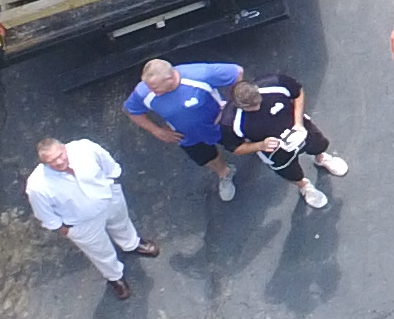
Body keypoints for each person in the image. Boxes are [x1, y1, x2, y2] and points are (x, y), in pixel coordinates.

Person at [25, 132, 161, 294]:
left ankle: (131, 244)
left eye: (60, 155)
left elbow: (107, 163)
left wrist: (113, 184)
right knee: (99, 252)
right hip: (82, 222)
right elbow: (45, 214)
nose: (59, 162)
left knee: (122, 224)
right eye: (52, 161)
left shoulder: (85, 148)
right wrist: (67, 230)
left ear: (64, 147)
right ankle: (114, 276)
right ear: (43, 163)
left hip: (108, 201)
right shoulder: (37, 186)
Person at [124, 53, 247, 199]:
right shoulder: (144, 91)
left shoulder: (199, 75)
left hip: (219, 125)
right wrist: (157, 131)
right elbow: (130, 110)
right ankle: (224, 172)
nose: (150, 91)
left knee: (241, 144)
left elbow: (236, 72)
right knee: (207, 158)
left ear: (170, 78)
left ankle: (260, 147)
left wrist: (232, 104)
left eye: (154, 87)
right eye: (148, 86)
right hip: (187, 137)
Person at [223, 72, 350, 210]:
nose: (257, 107)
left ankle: (321, 158)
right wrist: (261, 145)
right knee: (290, 171)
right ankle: (304, 186)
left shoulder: (275, 83)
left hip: (299, 130)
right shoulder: (230, 122)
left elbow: (298, 92)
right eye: (252, 108)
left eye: (258, 102)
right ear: (239, 106)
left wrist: (299, 124)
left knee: (318, 144)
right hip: (274, 151)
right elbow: (235, 147)